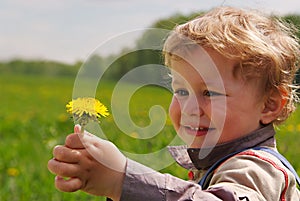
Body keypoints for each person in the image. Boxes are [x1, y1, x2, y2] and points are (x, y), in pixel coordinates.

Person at [48, 6, 300, 200]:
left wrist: (124, 181)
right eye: (180, 91)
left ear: (269, 105)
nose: (189, 108)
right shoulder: (218, 163)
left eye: (209, 94)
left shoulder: (256, 168)